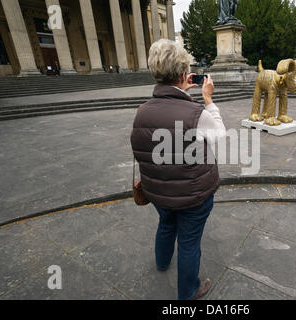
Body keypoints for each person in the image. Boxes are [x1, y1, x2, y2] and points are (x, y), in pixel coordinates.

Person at [130, 39, 226, 300]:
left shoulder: (142, 111)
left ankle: (162, 262)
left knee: (166, 224)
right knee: (189, 241)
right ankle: (189, 292)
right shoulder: (196, 112)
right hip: (192, 195)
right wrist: (207, 98)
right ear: (184, 75)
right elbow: (219, 134)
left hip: (157, 190)